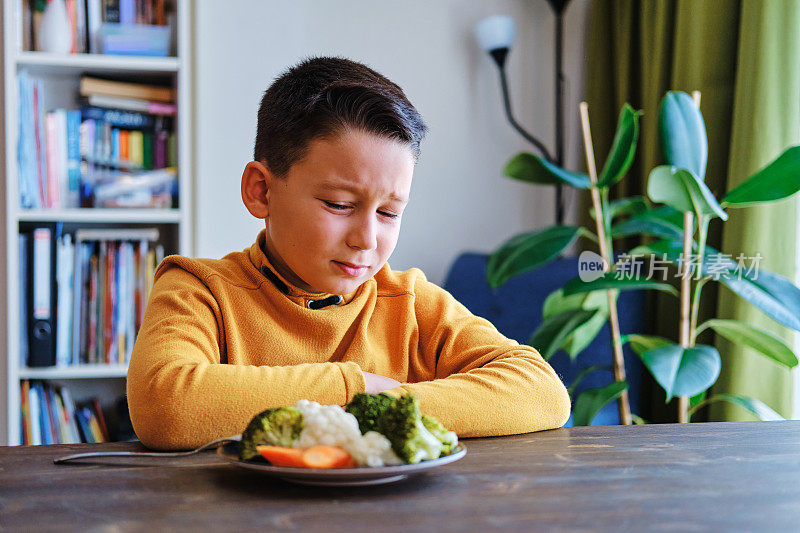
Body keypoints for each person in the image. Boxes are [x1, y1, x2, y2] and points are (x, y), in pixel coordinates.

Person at [127, 57, 571, 450]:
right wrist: (353, 387)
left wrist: (380, 404)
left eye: (389, 213)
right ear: (261, 191)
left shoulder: (410, 303)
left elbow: (540, 391)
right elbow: (165, 404)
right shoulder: (200, 290)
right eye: (340, 205)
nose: (366, 239)